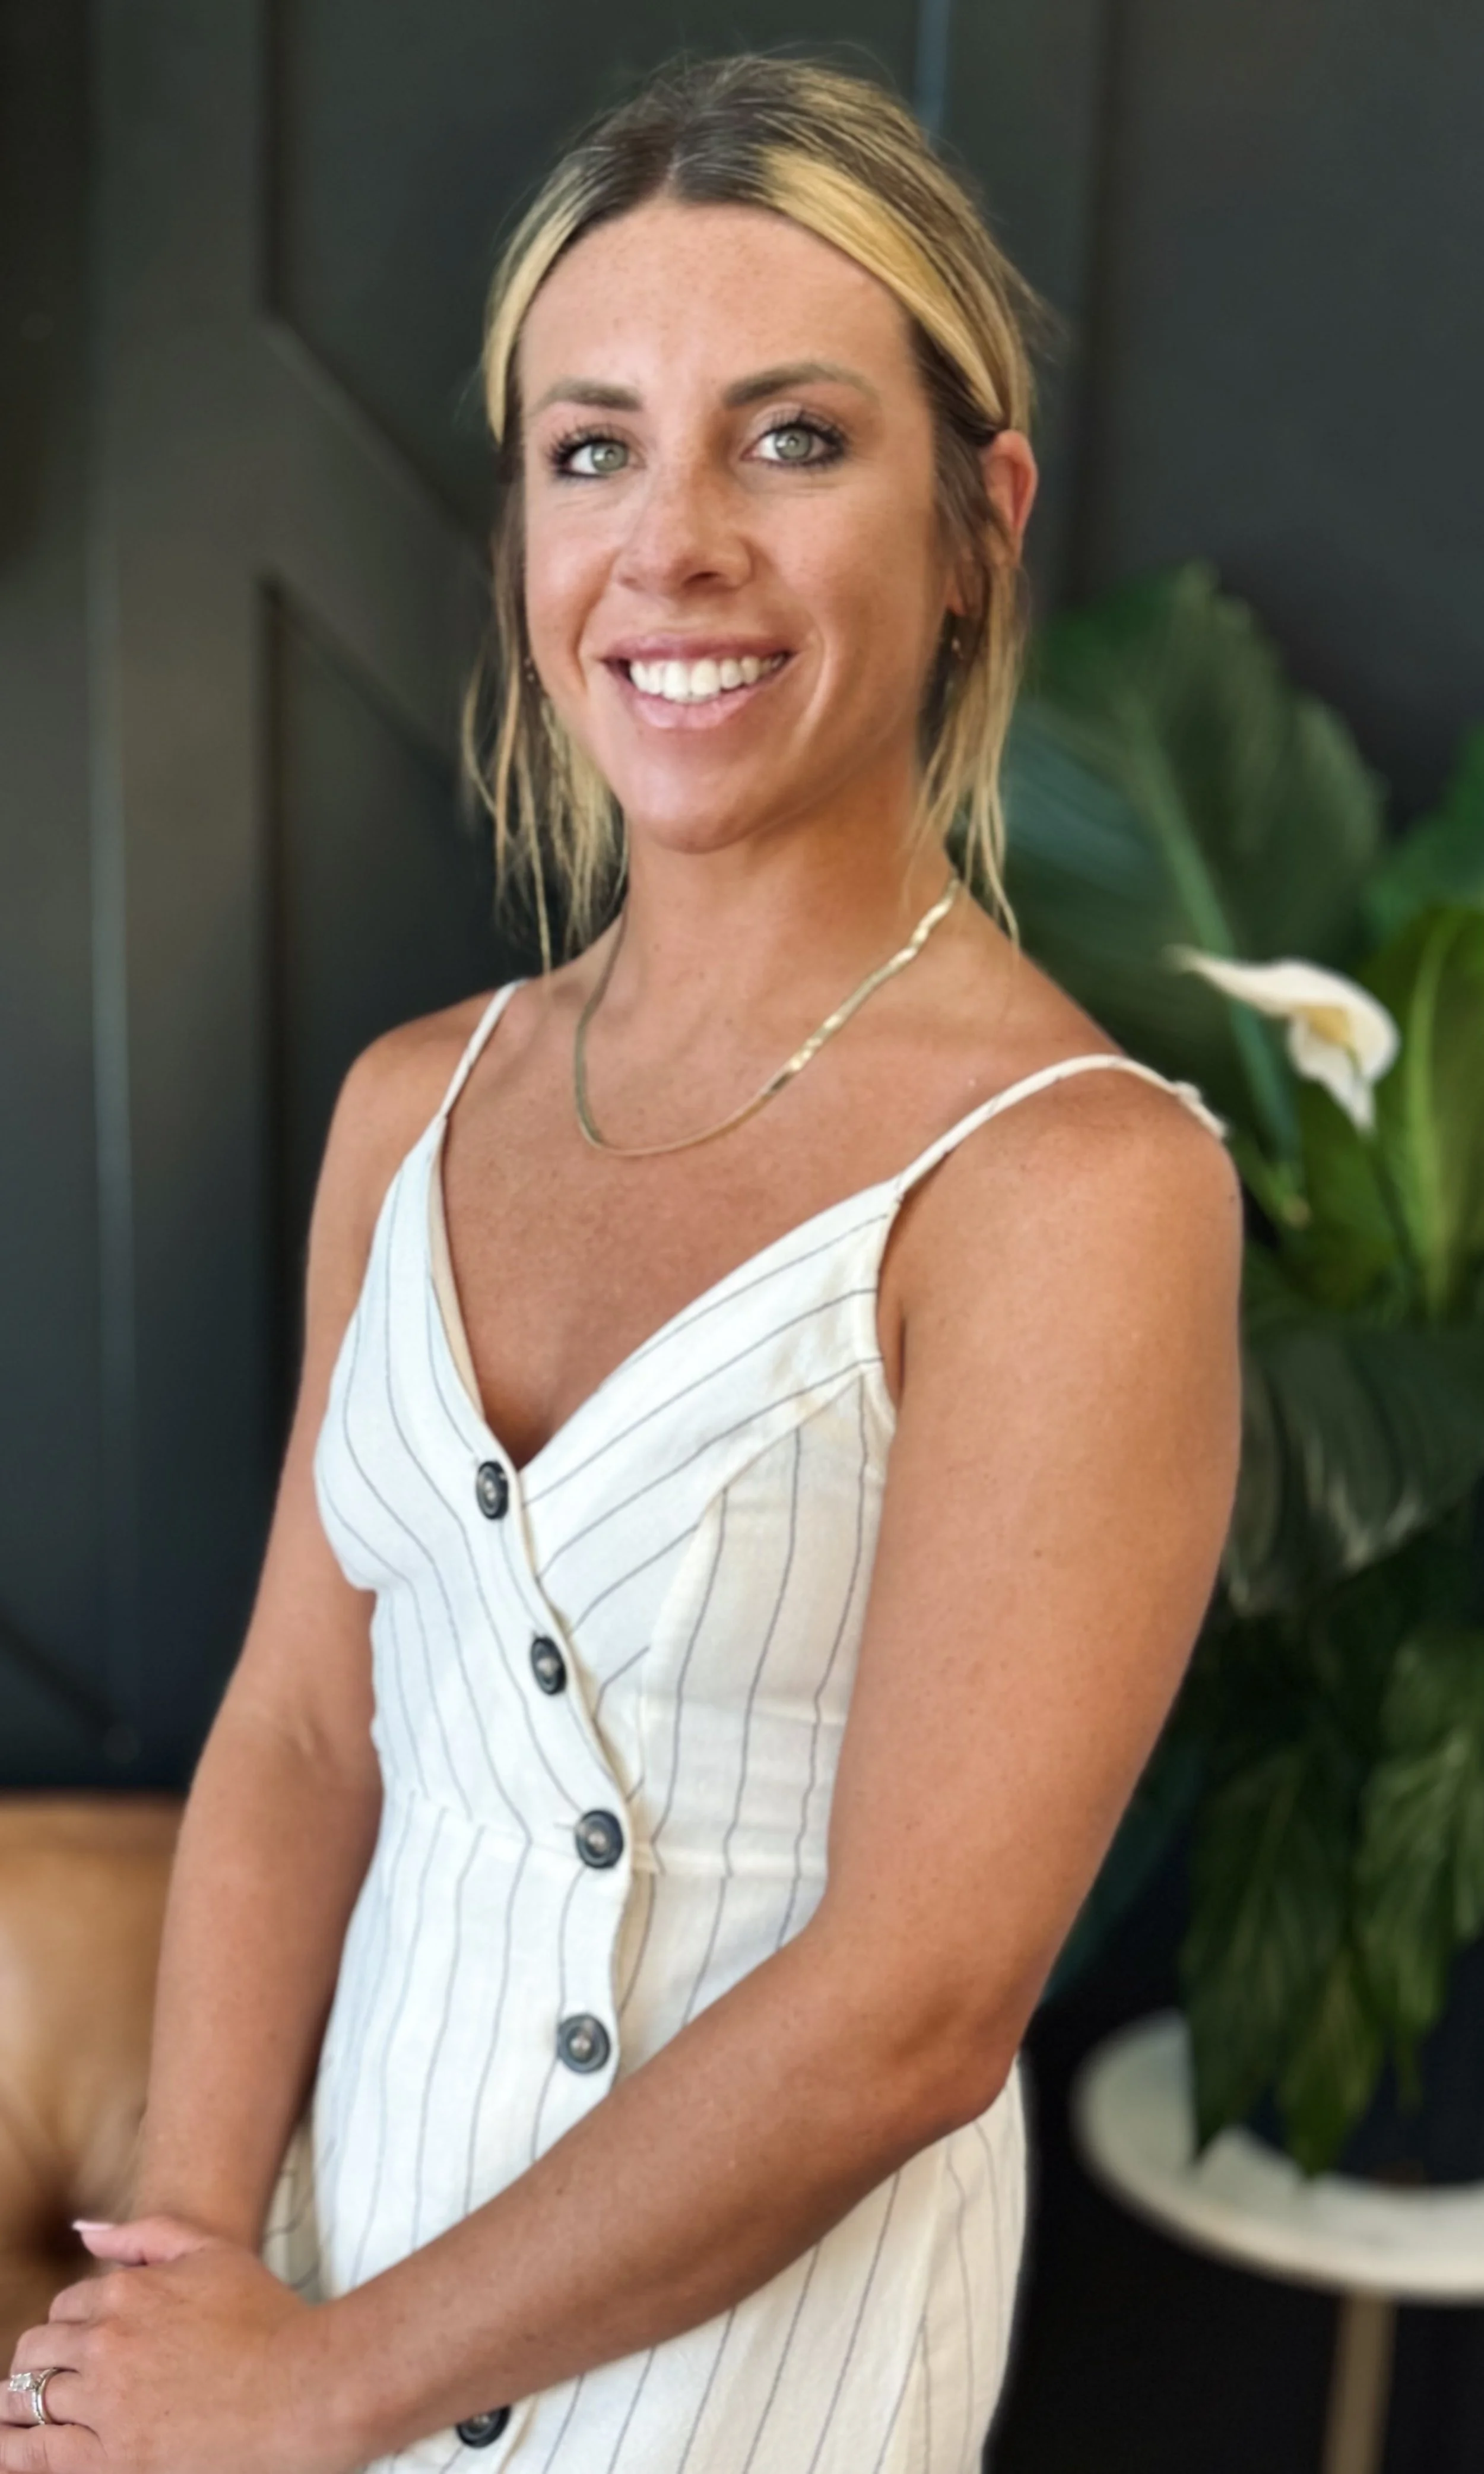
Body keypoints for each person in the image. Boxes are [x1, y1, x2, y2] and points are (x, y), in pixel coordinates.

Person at [2, 53, 1241, 2474]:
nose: (667, 546)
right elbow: (295, 1731)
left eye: (790, 441)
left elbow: (914, 2005)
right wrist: (185, 2292)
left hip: (743, 2389)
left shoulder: (1074, 1186)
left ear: (979, 520)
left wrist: (317, 2394)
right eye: (592, 450)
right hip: (322, 2287)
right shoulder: (413, 1105)